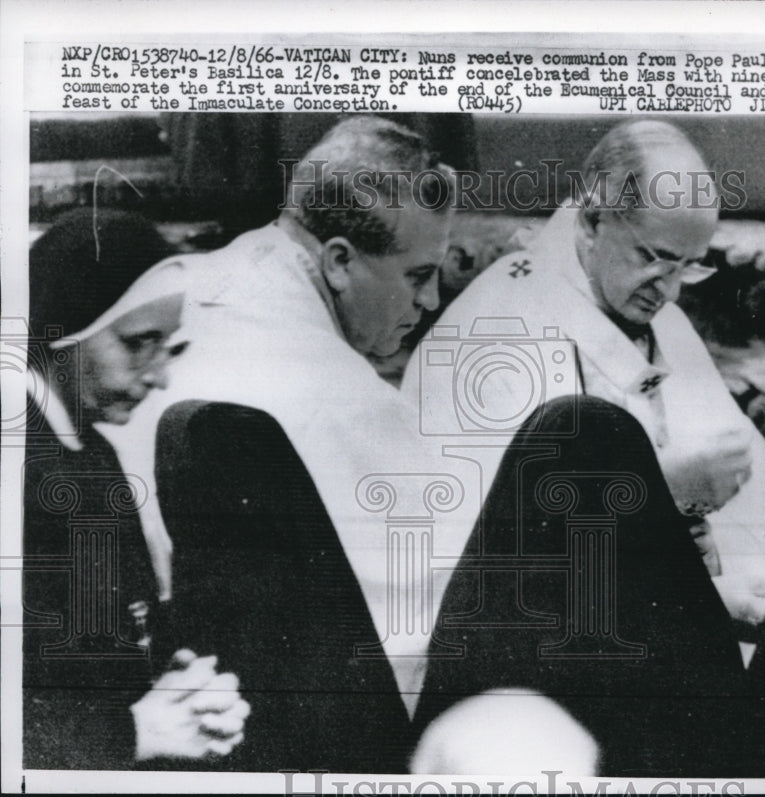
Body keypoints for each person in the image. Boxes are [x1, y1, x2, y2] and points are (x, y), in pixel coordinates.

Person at [103, 116, 482, 771]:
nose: (432, 299)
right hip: (307, 728)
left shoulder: (181, 286)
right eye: (418, 275)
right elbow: (431, 628)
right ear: (337, 260)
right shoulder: (349, 397)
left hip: (155, 674)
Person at [402, 120, 765, 653]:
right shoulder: (494, 335)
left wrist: (726, 570)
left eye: (689, 268)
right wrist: (663, 509)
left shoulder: (657, 317)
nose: (672, 291)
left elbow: (748, 489)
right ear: (591, 221)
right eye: (654, 259)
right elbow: (489, 570)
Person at [22, 208, 248, 768]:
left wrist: (182, 686)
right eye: (138, 342)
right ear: (61, 333)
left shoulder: (90, 451)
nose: (161, 375)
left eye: (169, 346)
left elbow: (115, 634)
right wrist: (133, 732)